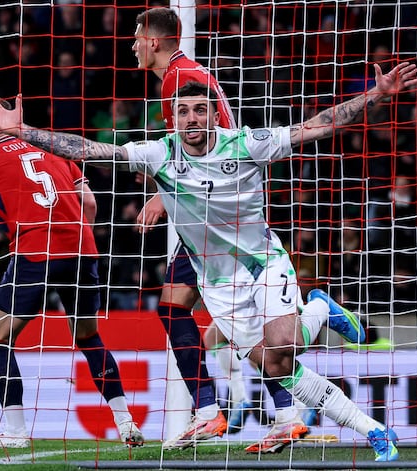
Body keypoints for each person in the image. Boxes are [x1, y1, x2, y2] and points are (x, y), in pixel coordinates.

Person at [0, 60, 417, 461]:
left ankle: (370, 429)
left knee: (283, 348)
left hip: (263, 263)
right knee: (278, 365)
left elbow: (317, 127)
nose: (191, 119)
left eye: (200, 110)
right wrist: (23, 130)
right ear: (172, 118)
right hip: (217, 285)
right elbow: (91, 150)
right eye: (183, 112)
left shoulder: (249, 144)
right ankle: (326, 320)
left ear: (215, 116)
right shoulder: (160, 154)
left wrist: (376, 95)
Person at [131, 7, 305, 452]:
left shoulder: (177, 81)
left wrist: (162, 196)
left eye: (136, 38)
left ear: (153, 41)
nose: (133, 46)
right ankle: (261, 413)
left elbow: (213, 139)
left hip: (216, 218)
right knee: (193, 313)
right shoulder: (188, 73)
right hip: (213, 211)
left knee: (182, 312)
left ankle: (213, 412)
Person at [0, 109, 144, 449]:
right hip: (82, 250)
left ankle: (15, 430)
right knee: (88, 338)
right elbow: (89, 203)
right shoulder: (53, 148)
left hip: (35, 250)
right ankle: (125, 421)